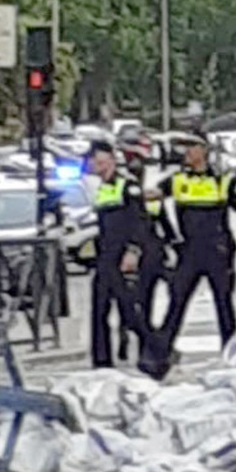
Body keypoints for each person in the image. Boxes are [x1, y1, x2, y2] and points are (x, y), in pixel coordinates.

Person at [153, 134, 236, 373]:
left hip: (218, 250)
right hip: (189, 250)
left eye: (191, 147)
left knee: (224, 304)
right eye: (185, 148)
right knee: (177, 302)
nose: (187, 152)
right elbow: (152, 195)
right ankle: (160, 355)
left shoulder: (222, 181)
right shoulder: (178, 180)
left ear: (204, 150)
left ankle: (232, 355)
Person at [87, 141, 164, 372]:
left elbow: (139, 222)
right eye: (94, 161)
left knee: (129, 312)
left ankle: (158, 351)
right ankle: (101, 362)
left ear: (112, 159)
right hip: (106, 255)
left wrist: (133, 251)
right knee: (98, 309)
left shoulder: (127, 185)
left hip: (122, 256)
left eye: (101, 160)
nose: (97, 165)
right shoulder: (103, 187)